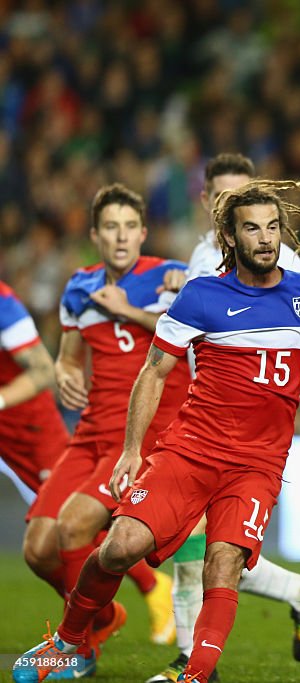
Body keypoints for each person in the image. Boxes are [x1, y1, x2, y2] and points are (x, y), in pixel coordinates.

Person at [12, 179, 300, 683]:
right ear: (231, 238)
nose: (265, 239)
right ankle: (68, 641)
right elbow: (154, 371)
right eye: (252, 229)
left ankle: (195, 674)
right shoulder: (202, 296)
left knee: (223, 564)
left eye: (272, 228)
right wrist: (133, 450)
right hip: (190, 451)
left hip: (256, 465)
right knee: (118, 546)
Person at [148, 153, 300, 683]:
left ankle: (190, 660)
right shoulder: (199, 257)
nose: (231, 202)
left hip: (250, 431)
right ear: (212, 204)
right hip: (195, 410)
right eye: (222, 195)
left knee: (207, 553)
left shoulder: (283, 263)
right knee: (194, 548)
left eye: (241, 192)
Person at [23, 184, 183, 674]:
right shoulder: (78, 287)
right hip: (89, 432)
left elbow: (184, 350)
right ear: (95, 234)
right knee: (37, 549)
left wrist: (127, 309)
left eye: (130, 227)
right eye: (111, 227)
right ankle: (105, 613)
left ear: (143, 233)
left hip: (135, 434)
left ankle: (80, 645)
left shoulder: (169, 279)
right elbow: (68, 360)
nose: (121, 236)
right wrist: (67, 373)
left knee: (73, 528)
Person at [0, 281, 70, 596]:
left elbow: (43, 370)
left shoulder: (3, 303)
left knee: (70, 523)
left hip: (28, 423)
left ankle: (149, 591)